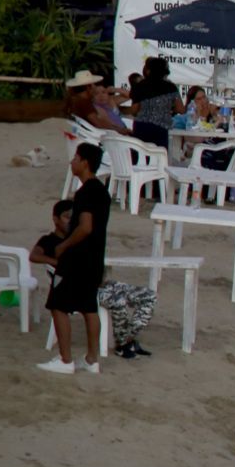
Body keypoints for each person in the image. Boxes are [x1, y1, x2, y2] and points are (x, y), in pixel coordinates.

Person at [32, 198, 154, 361]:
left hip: (101, 283)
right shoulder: (49, 241)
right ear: (55, 219)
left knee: (148, 296)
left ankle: (127, 339)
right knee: (118, 301)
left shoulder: (80, 237)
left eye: (74, 218)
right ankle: (122, 345)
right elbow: (34, 255)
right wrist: (59, 263)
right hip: (80, 289)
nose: (71, 221)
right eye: (67, 217)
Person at [37, 142, 110, 374]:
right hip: (95, 259)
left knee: (57, 304)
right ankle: (91, 359)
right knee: (89, 307)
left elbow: (85, 227)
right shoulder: (102, 191)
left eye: (76, 158)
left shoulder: (86, 192)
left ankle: (65, 359)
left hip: (78, 259)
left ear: (85, 162)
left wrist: (63, 246)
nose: (72, 162)